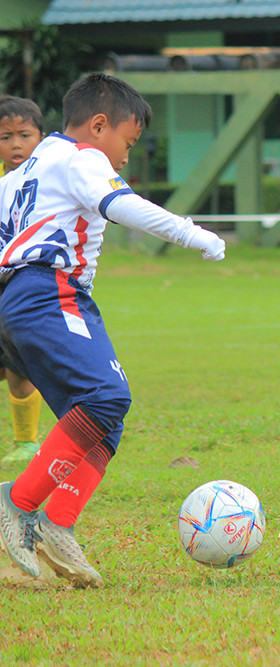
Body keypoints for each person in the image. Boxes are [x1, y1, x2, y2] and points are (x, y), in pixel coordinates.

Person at [0, 73, 226, 588]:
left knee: (106, 419)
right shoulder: (83, 158)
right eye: (128, 142)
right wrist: (195, 235)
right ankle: (17, 502)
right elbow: (120, 205)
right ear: (99, 126)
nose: (124, 157)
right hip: (49, 292)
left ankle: (58, 524)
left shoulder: (19, 175)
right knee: (105, 397)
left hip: (19, 300)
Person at [0, 96, 47, 465]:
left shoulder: (47, 180)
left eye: (24, 135)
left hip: (25, 287)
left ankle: (27, 442)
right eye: (5, 136)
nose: (15, 144)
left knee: (19, 369)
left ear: (41, 138)